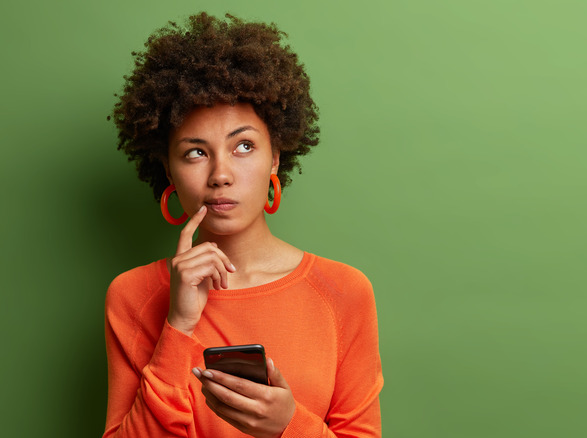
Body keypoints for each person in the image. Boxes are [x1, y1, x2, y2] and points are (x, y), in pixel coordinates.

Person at [103, 12, 382, 438]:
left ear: (275, 157)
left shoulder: (344, 291)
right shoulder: (133, 297)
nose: (220, 174)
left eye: (244, 146)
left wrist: (289, 426)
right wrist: (177, 326)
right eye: (196, 152)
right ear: (168, 170)